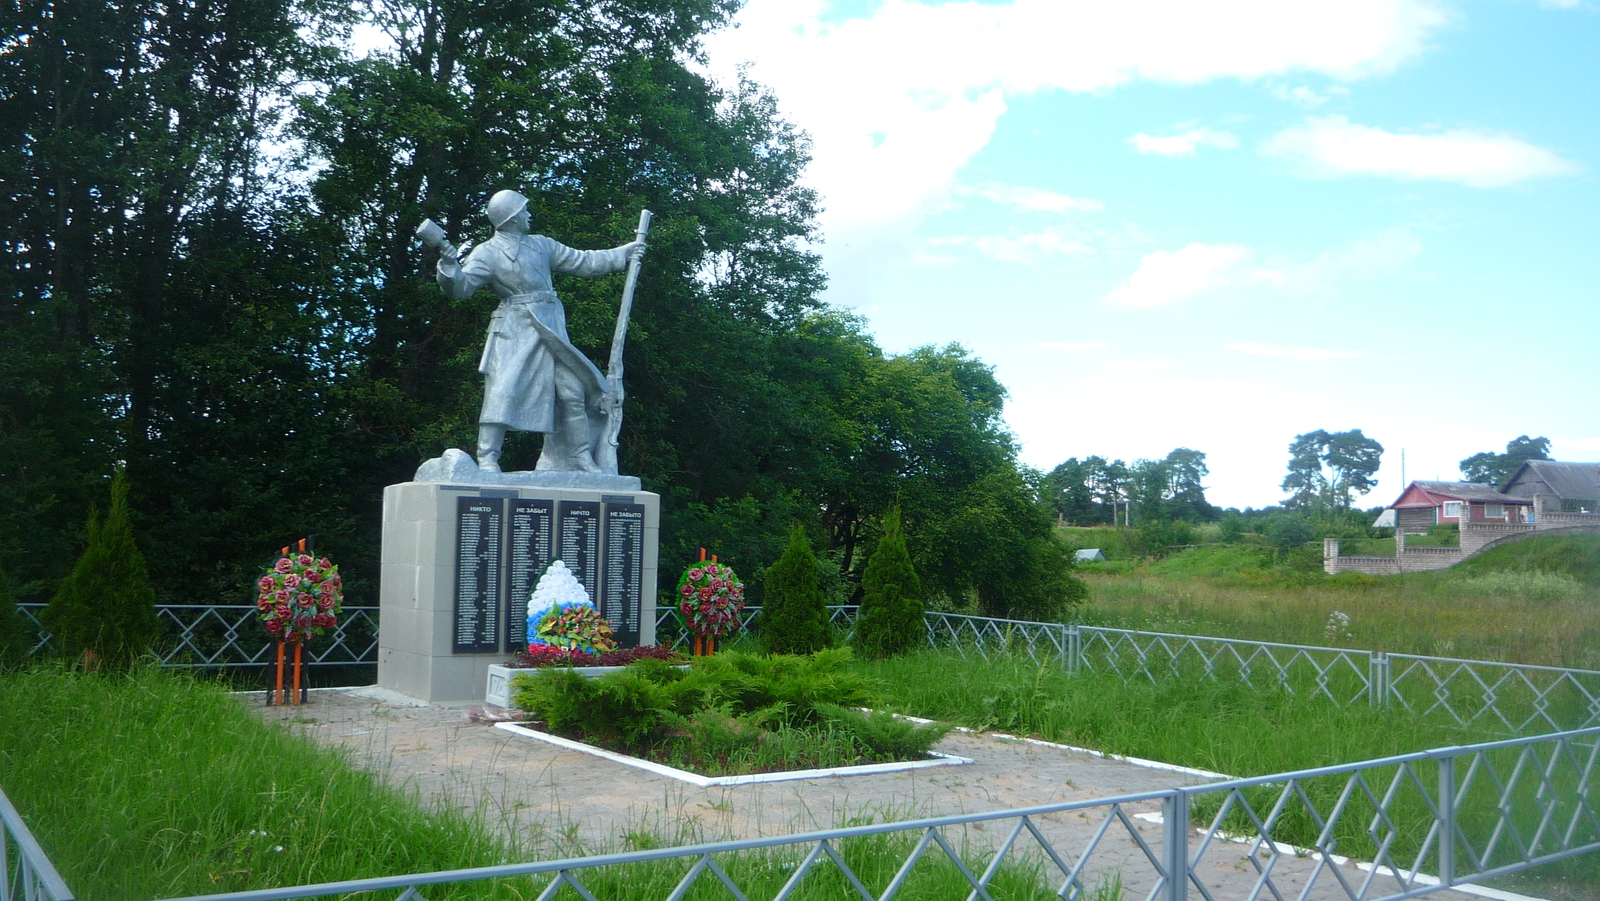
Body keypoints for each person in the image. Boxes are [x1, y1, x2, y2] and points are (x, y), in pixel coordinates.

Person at [433, 190, 644, 473]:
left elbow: (582, 261)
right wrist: (449, 265)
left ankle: (580, 457)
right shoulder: (487, 253)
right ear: (512, 219)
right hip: (514, 330)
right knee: (502, 392)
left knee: (572, 391)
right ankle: (488, 458)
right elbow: (461, 288)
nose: (529, 214)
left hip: (550, 329)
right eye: (523, 211)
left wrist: (624, 253)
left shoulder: (541, 245)